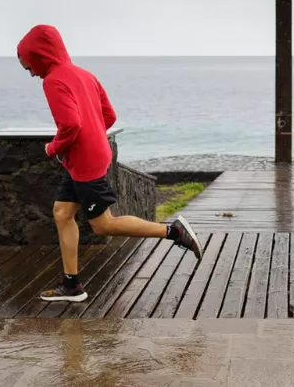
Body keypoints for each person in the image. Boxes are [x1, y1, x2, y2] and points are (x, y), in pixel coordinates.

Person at [17, 24, 203, 302]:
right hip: (89, 154)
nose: (31, 72)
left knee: (103, 224)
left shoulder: (53, 80)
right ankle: (71, 285)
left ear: (40, 55)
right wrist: (90, 136)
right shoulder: (85, 75)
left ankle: (174, 232)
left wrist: (52, 147)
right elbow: (109, 116)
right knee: (62, 212)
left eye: (29, 65)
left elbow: (69, 124)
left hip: (83, 160)